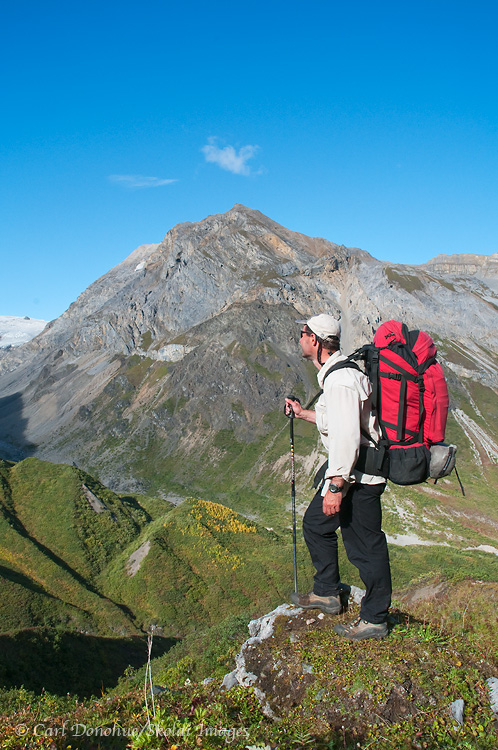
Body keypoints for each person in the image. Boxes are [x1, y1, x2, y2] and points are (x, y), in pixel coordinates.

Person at [284, 314, 392, 640]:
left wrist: (335, 486)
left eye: (302, 333)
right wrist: (305, 414)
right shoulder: (336, 375)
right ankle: (327, 592)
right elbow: (339, 420)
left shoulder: (341, 380)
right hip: (351, 474)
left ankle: (375, 618)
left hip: (358, 478)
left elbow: (347, 438)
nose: (300, 337)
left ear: (315, 340)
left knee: (365, 547)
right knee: (316, 524)